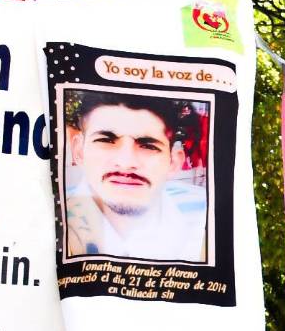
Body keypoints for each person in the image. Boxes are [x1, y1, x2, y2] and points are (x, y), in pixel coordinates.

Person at [63, 91, 208, 262]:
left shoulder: (205, 220)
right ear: (79, 151)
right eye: (106, 140)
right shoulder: (51, 219)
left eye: (148, 146)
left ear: (173, 162)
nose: (125, 162)